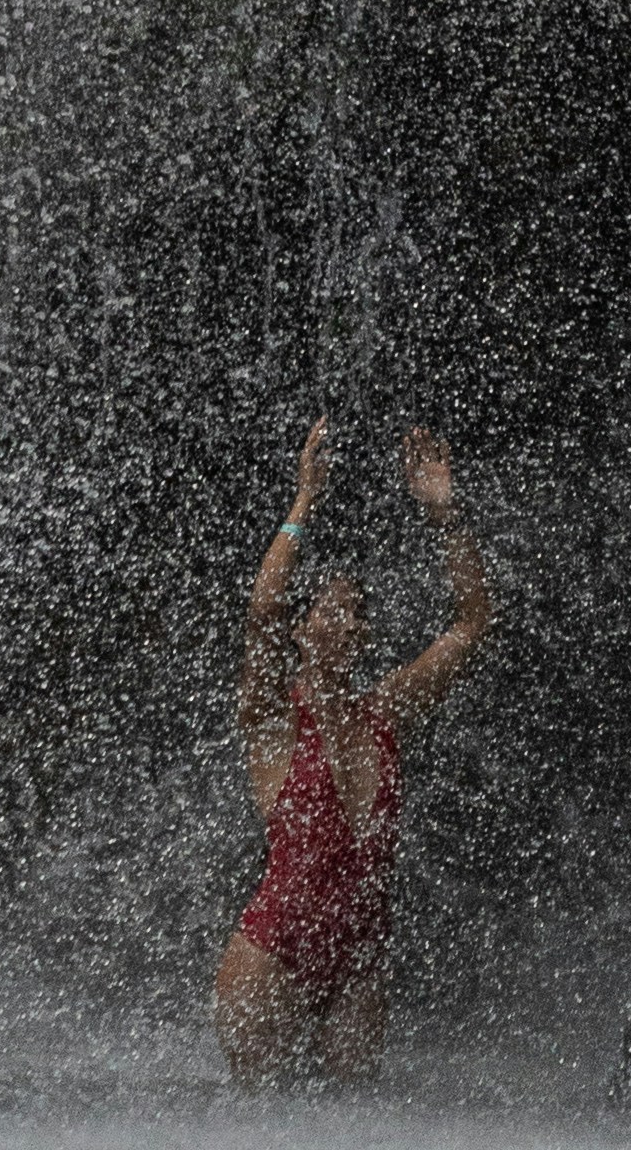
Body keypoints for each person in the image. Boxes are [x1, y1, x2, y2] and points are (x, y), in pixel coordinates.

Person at [212, 413, 494, 1083]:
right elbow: (261, 613)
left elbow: (472, 622)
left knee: (354, 1123)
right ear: (305, 631)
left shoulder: (386, 711)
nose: (346, 623)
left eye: (357, 613)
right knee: (263, 1128)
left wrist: (446, 517)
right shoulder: (273, 718)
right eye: (329, 611)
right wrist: (304, 500)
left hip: (358, 957)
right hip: (271, 952)